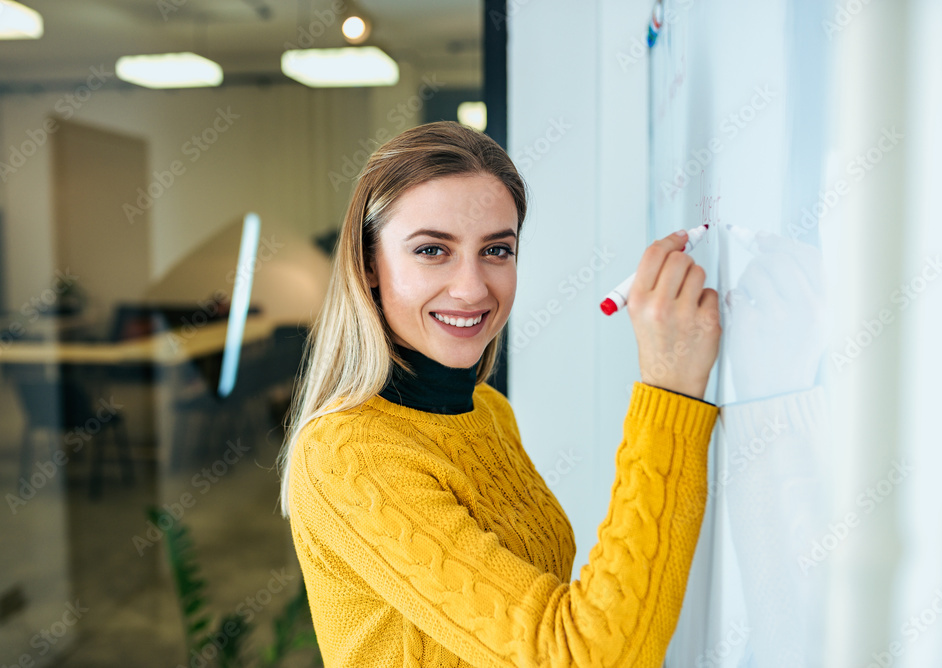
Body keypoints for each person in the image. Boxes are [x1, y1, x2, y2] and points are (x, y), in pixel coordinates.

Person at [277, 120, 722, 667]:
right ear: (369, 264)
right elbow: (588, 657)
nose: (471, 288)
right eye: (432, 251)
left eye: (496, 250)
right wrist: (669, 392)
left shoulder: (487, 408)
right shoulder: (348, 456)